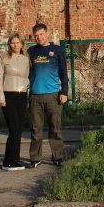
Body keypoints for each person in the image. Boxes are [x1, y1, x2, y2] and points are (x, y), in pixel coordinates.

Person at [26, 23, 68, 168]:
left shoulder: (56, 50)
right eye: (36, 36)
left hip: (53, 96)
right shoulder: (31, 51)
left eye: (41, 34)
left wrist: (64, 92)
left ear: (47, 33)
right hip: (35, 96)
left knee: (55, 128)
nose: (39, 38)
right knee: (35, 129)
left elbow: (63, 72)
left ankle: (58, 156)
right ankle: (35, 158)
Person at [0, 33, 29, 171]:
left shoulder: (26, 59)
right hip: (8, 96)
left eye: (18, 43)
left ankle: (14, 159)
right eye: (13, 43)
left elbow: (28, 77)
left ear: (22, 44)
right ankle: (9, 161)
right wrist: (1, 97)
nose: (15, 45)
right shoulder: (3, 57)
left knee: (18, 130)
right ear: (9, 44)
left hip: (22, 96)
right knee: (14, 129)